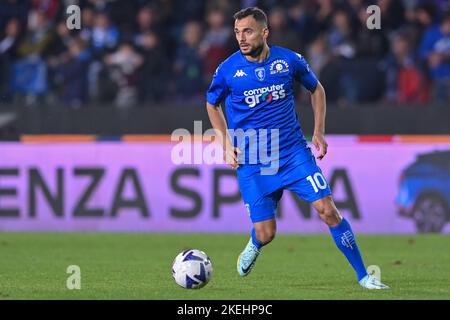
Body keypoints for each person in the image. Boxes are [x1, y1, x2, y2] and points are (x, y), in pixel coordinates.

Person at [205, 7, 389, 290]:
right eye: (237, 32)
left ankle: (364, 275)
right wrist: (225, 144)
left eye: (248, 31)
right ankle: (256, 242)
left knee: (328, 210)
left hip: (293, 154)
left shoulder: (288, 61)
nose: (241, 38)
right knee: (266, 233)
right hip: (253, 162)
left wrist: (318, 130)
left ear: (264, 32)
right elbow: (212, 104)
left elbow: (317, 89)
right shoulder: (228, 69)